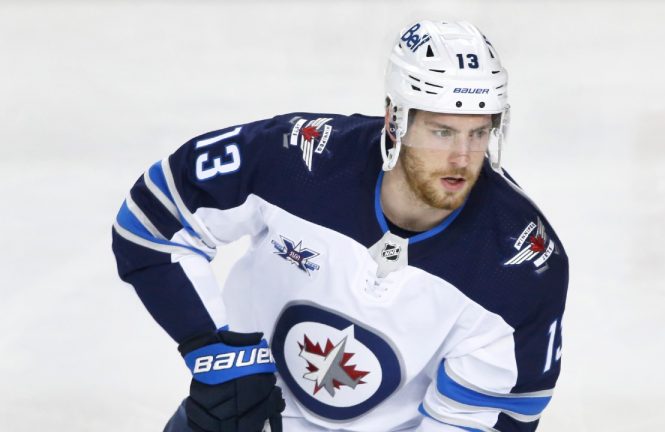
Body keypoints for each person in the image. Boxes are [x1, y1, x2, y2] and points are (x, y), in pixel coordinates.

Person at [112, 20, 569, 432]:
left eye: (479, 133)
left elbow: (490, 417)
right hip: (241, 420)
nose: (463, 159)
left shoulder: (521, 260)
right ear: (395, 120)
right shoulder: (299, 158)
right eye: (442, 132)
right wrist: (213, 350)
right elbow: (152, 222)